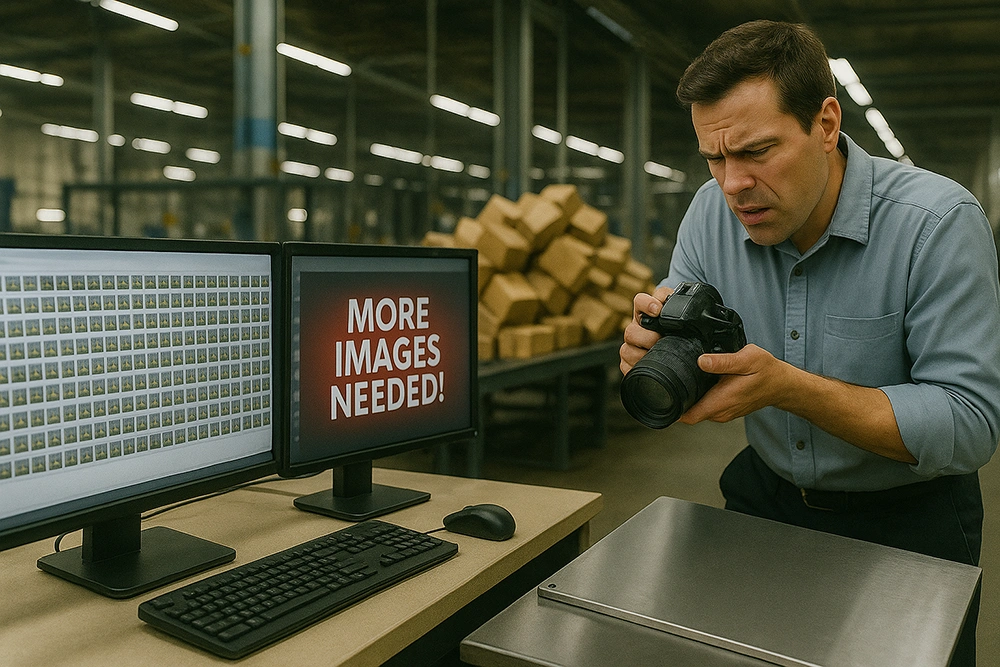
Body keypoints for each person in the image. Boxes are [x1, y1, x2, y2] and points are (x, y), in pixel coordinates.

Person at [620, 19, 1000, 667]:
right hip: (765, 496)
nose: (732, 184)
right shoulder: (710, 214)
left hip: (908, 516)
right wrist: (656, 346)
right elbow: (682, 328)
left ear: (826, 124)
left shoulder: (937, 225)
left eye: (756, 151)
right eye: (714, 157)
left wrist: (790, 388)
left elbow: (968, 425)